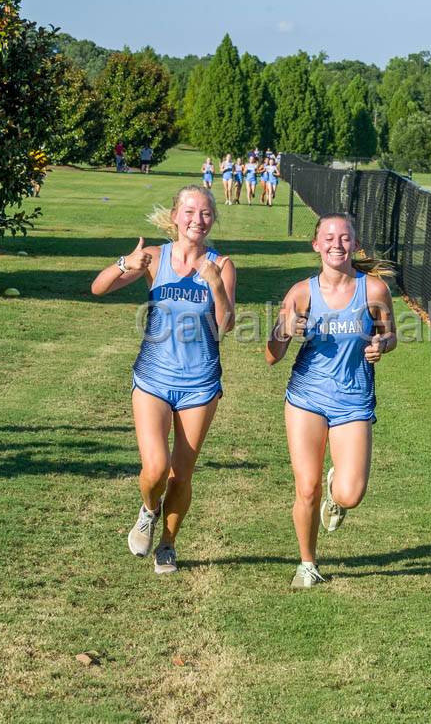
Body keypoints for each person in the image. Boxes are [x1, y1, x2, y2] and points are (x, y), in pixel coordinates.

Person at [90, 186, 236, 574]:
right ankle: (148, 509)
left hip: (200, 384)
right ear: (175, 216)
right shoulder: (154, 258)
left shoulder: (222, 265)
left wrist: (216, 285)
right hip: (153, 376)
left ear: (212, 220)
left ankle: (168, 544)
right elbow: (98, 288)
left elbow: (226, 326)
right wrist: (126, 263)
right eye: (189, 212)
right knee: (155, 468)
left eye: (205, 214)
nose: (197, 220)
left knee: (180, 474)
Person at [265, 213, 397, 588]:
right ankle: (307, 563)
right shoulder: (301, 293)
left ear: (355, 245)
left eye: (344, 238)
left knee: (351, 494)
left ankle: (337, 492)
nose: (337, 244)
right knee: (306, 487)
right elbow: (272, 355)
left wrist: (381, 345)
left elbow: (390, 336)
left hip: (353, 400)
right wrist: (284, 329)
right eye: (329, 238)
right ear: (316, 245)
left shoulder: (373, 291)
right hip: (307, 397)